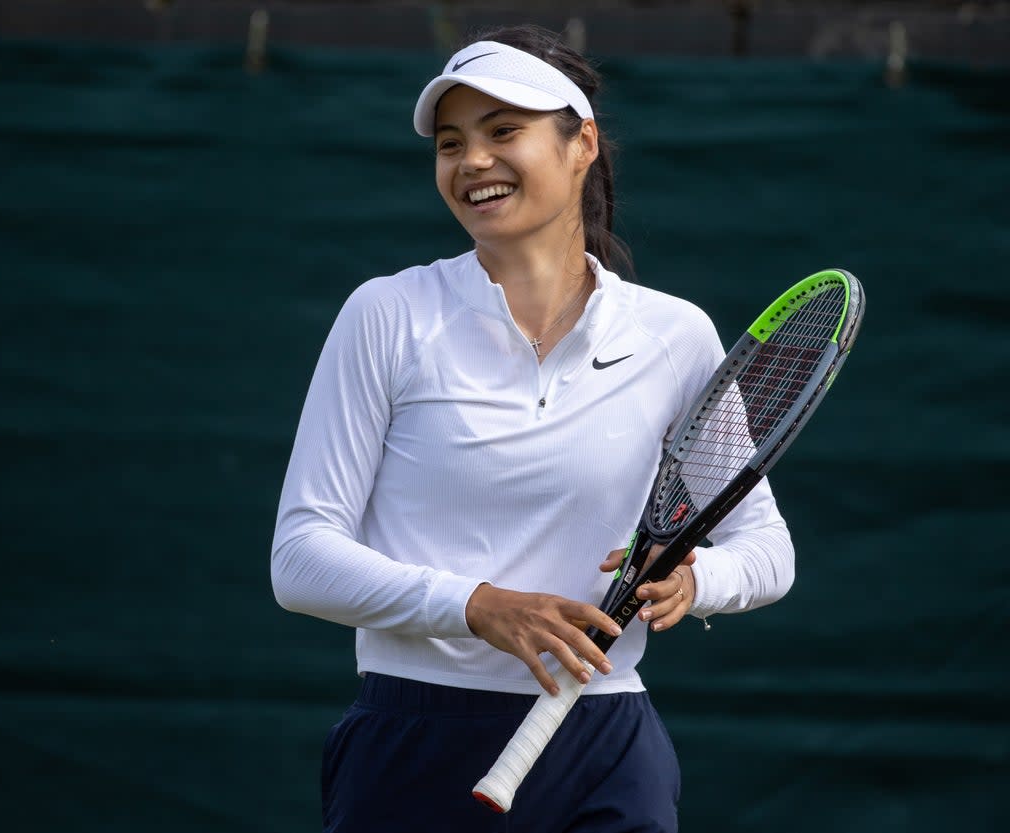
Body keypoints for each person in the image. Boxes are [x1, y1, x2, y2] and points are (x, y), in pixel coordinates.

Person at [271, 23, 794, 833]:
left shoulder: (675, 334)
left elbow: (766, 548)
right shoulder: (387, 315)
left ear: (581, 142)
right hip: (413, 743)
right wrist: (477, 605)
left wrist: (695, 583)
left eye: (503, 131)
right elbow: (301, 558)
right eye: (451, 143)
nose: (472, 160)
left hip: (609, 745)